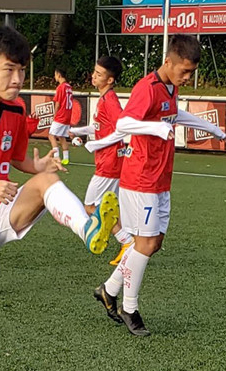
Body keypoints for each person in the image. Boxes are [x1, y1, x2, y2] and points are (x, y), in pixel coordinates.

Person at [0, 26, 119, 371]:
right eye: (9, 69)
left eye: (22, 69)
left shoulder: (15, 111)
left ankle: (89, 230)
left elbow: (14, 159)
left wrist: (36, 165)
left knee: (46, 181)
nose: (17, 78)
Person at [94, 34, 226, 337]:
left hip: (160, 177)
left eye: (192, 72)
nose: (188, 77)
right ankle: (130, 307)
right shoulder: (148, 87)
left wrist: (211, 128)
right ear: (168, 61)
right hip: (141, 179)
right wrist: (155, 127)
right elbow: (123, 124)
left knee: (154, 243)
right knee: (145, 243)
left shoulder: (170, 87)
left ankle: (108, 289)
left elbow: (174, 114)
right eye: (184, 71)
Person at [70, 56, 134, 268]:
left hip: (110, 162)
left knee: (90, 206)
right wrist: (76, 130)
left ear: (110, 80)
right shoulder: (104, 98)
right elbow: (98, 127)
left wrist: (96, 145)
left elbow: (122, 128)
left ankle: (125, 240)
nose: (93, 76)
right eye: (94, 72)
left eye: (99, 74)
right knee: (109, 206)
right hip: (108, 160)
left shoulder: (111, 101)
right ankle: (127, 244)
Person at [48, 67, 73, 165]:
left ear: (58, 75)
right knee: (61, 136)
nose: (55, 77)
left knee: (51, 135)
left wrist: (55, 115)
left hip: (61, 115)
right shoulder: (69, 87)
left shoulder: (61, 87)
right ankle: (66, 158)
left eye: (55, 75)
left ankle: (56, 156)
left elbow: (58, 103)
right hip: (67, 116)